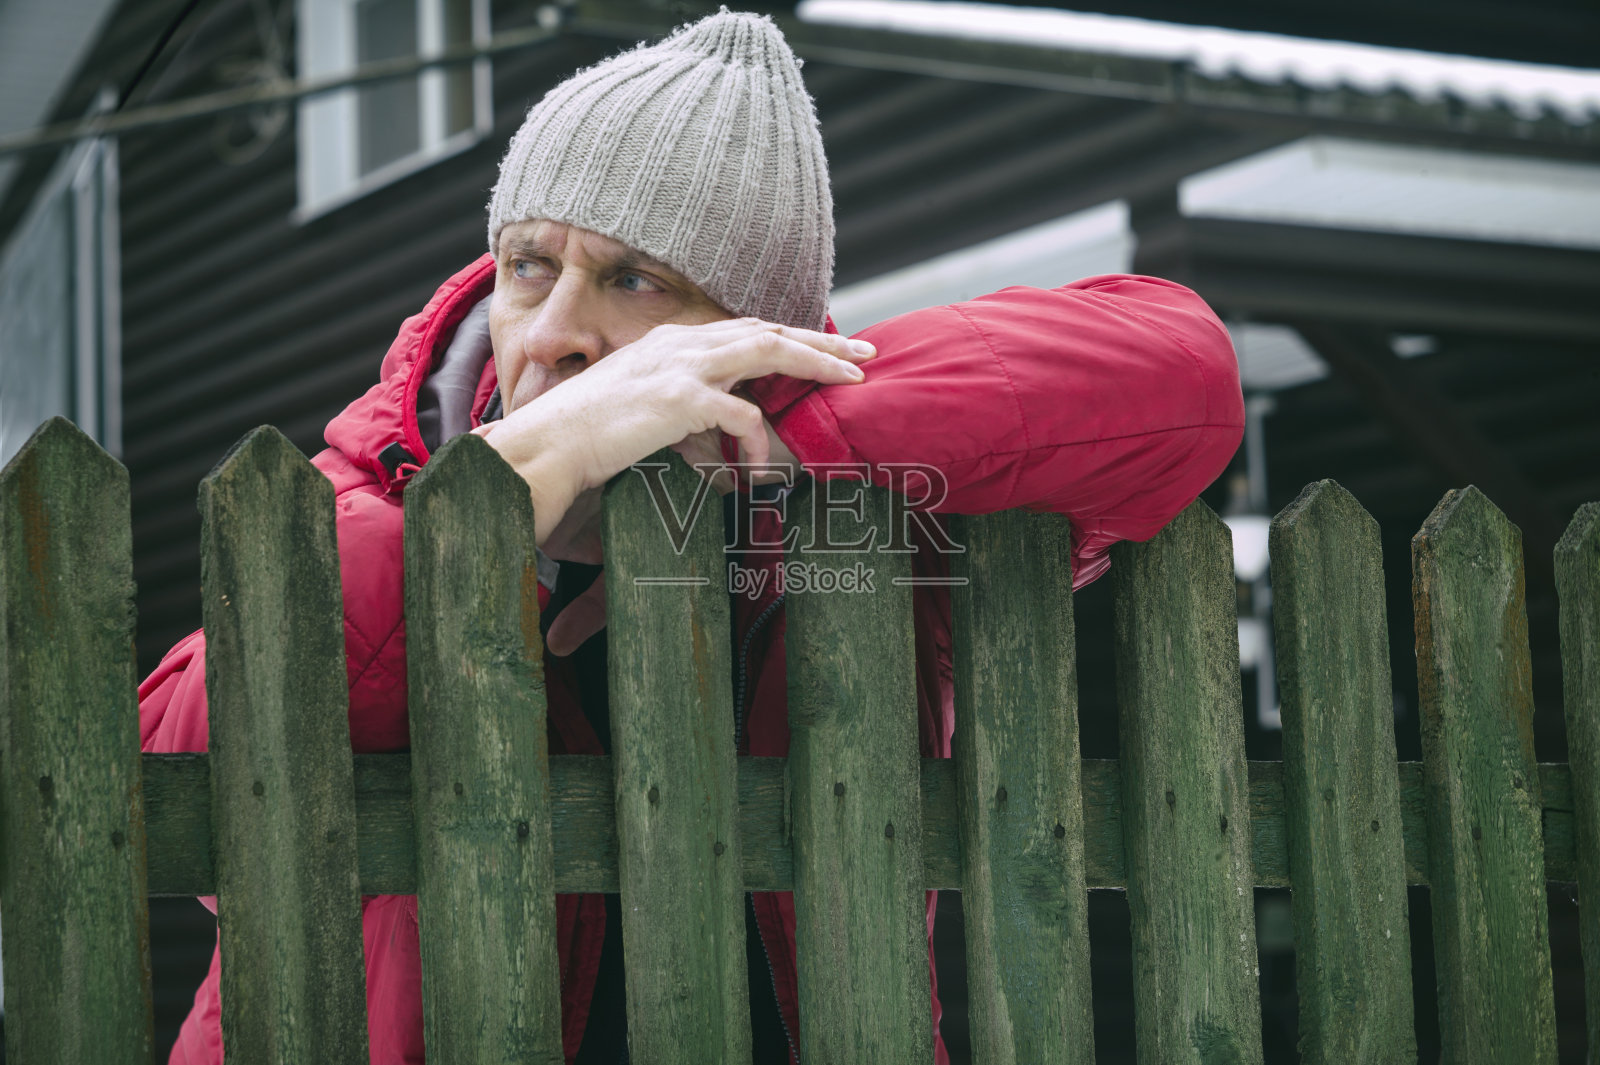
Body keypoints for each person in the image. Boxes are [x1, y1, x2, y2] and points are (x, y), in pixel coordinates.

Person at [139, 9, 1245, 1064]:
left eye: (633, 278)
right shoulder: (374, 483)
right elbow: (182, 794)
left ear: (745, 338)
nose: (558, 332)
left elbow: (1181, 379)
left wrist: (771, 430)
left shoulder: (856, 537)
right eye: (531, 265)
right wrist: (518, 485)